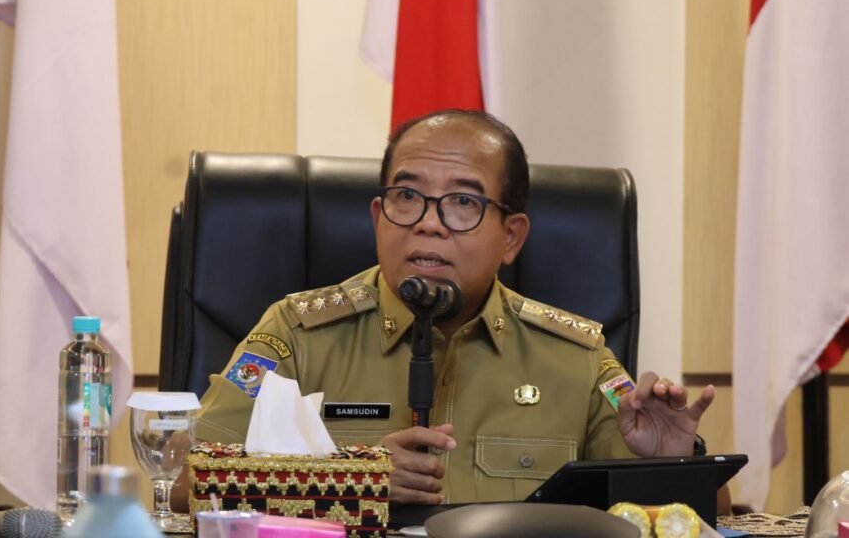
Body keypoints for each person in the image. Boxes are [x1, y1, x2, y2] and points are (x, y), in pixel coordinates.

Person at [191, 109, 726, 511]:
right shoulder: (297, 334)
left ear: (511, 237)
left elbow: (705, 513)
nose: (429, 222)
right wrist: (353, 480)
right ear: (378, 217)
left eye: (464, 202)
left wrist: (676, 463)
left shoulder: (578, 358)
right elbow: (188, 476)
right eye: (407, 196)